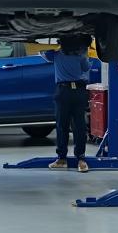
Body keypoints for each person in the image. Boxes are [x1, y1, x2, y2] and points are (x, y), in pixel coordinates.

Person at [42, 35, 100, 172]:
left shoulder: (55, 55)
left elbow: (42, 52)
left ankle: (62, 159)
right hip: (79, 92)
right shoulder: (80, 56)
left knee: (62, 126)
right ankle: (81, 160)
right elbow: (87, 68)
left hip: (63, 92)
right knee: (79, 126)